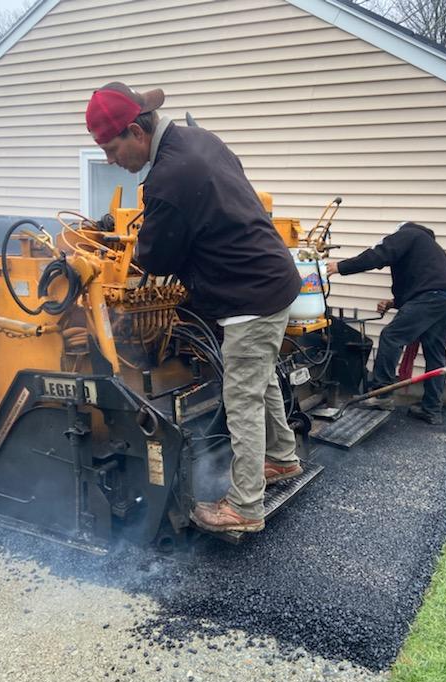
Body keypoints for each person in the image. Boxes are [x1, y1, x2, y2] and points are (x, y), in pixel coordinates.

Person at [85, 82, 303, 534]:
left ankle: (244, 509)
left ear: (135, 132)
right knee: (259, 380)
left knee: (241, 396)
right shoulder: (199, 139)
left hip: (249, 296)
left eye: (110, 148)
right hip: (273, 280)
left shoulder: (169, 176)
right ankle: (282, 458)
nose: (110, 160)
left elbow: (158, 258)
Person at [327, 222, 446, 424]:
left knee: (391, 336)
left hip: (431, 296)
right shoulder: (427, 246)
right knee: (435, 353)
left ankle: (381, 396)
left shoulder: (407, 234)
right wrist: (393, 303)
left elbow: (377, 255)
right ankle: (432, 409)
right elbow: (421, 280)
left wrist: (339, 267)